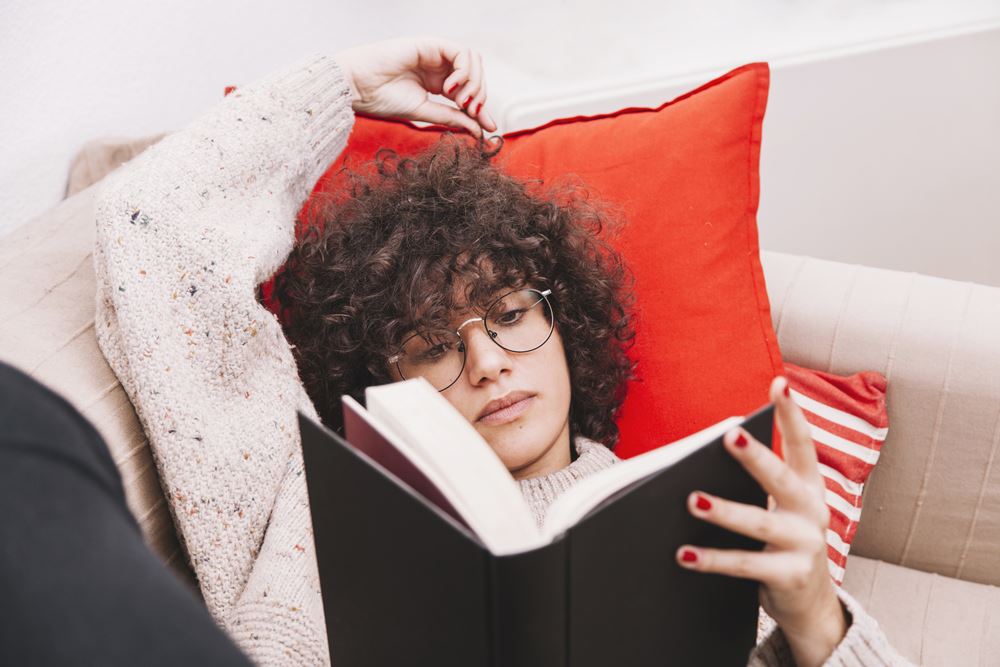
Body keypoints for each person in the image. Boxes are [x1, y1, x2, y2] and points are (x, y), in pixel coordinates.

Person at [81, 36, 911, 665]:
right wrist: (345, 84)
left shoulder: (683, 527)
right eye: (433, 346)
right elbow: (152, 234)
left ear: (568, 328)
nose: (485, 363)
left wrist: (816, 621)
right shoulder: (298, 498)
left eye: (511, 314)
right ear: (384, 379)